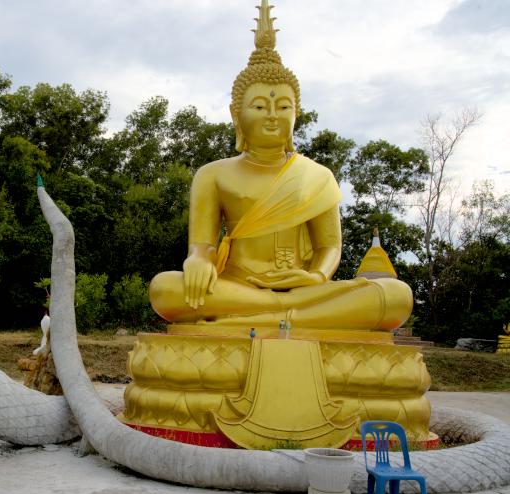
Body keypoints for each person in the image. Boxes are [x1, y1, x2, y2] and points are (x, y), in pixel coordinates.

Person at [148, 1, 412, 331]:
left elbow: (329, 247)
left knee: (397, 295)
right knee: (165, 289)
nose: (273, 114)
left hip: (304, 288)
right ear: (236, 114)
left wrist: (315, 277)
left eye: (283, 105)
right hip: (237, 286)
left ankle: (265, 318)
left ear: (296, 113)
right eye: (260, 105)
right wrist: (198, 261)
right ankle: (287, 315)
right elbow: (202, 246)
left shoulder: (317, 176)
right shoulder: (213, 175)